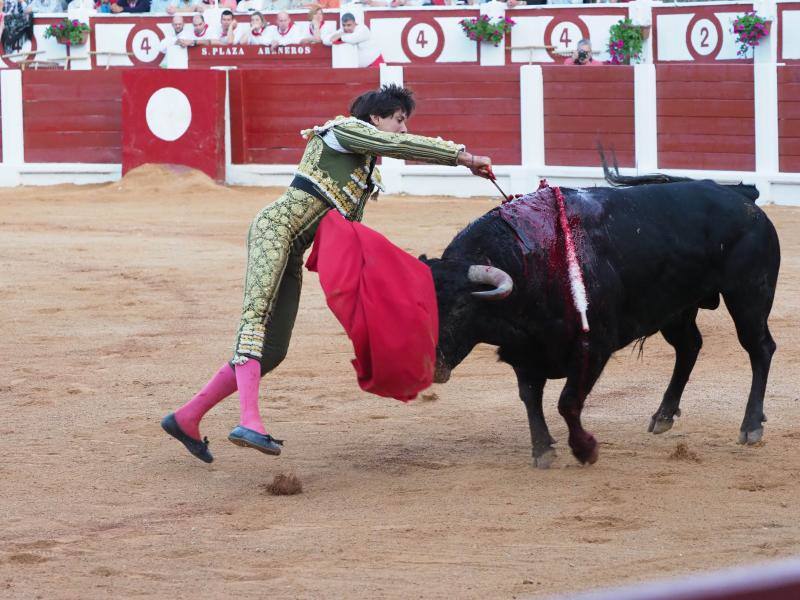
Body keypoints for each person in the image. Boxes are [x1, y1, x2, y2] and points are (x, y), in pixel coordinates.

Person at [161, 84, 493, 462]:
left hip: (293, 250)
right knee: (254, 322)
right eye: (398, 120)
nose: (402, 129)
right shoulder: (342, 131)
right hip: (274, 230)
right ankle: (249, 420)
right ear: (375, 119)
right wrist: (462, 157)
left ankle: (186, 417)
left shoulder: (365, 173)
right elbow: (400, 147)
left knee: (272, 350)